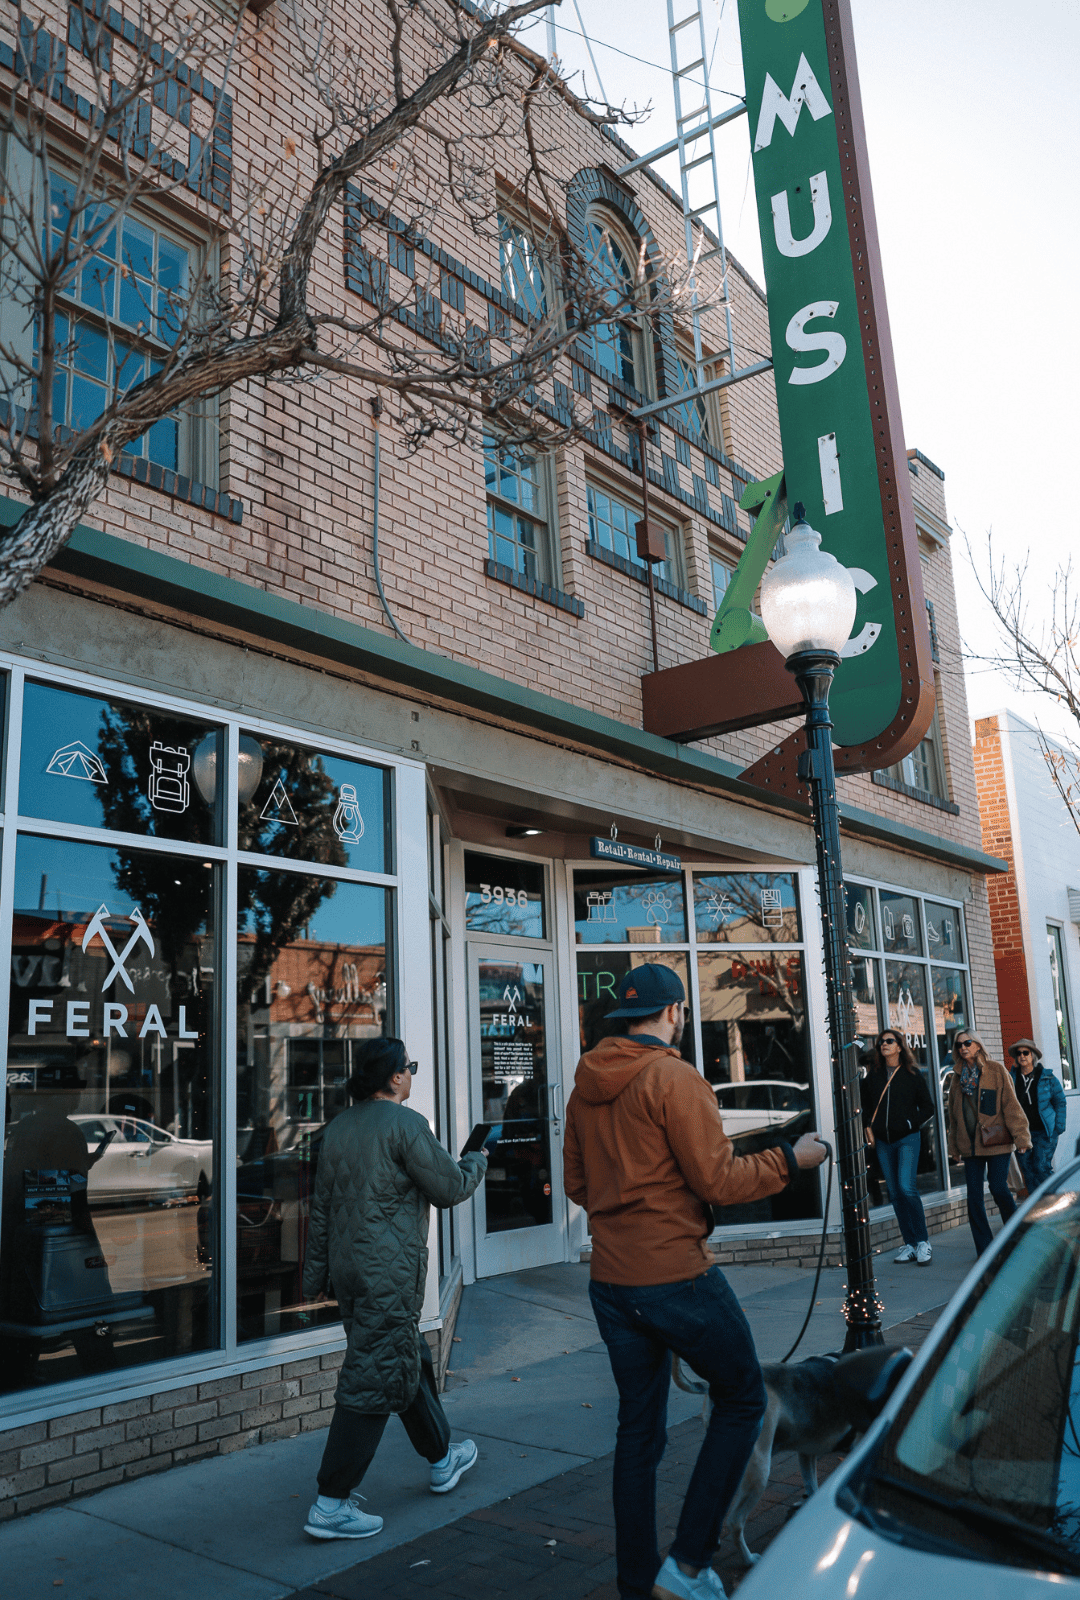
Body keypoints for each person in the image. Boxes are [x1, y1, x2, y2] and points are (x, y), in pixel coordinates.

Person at [563, 963, 827, 1600]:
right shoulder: (673, 1078)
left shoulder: (584, 1085)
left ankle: (636, 1581)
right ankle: (686, 1567)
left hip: (612, 1281)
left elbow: (576, 1185)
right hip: (676, 1274)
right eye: (680, 1010)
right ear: (675, 1011)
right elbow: (720, 1181)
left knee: (638, 1431)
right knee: (743, 1397)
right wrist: (794, 1159)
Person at [301, 1038, 486, 1541]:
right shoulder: (406, 1125)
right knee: (372, 1376)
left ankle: (443, 1457)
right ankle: (330, 1503)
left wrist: (312, 1281)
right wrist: (477, 1160)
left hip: (351, 1274)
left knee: (402, 1360)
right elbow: (449, 1189)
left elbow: (321, 1211)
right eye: (410, 1068)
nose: (412, 1075)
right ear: (394, 1077)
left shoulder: (338, 1129)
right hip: (388, 1274)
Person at [946, 1031, 1031, 1257]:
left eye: (968, 1042)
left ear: (978, 1045)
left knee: (998, 1188)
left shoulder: (995, 1070)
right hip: (970, 1145)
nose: (963, 1047)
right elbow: (954, 1116)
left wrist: (1022, 1137)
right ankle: (985, 1249)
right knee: (973, 1197)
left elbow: (1011, 1106)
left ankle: (1015, 1237)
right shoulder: (957, 1076)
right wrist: (953, 1147)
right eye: (959, 1045)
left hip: (996, 1142)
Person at [862, 1030, 935, 1265]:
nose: (884, 1044)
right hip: (884, 1142)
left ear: (900, 1047)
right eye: (881, 1042)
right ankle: (910, 1243)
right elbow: (863, 1106)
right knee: (894, 1193)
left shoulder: (911, 1075)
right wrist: (867, 1127)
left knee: (906, 1188)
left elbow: (928, 1108)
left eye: (889, 1041)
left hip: (908, 1139)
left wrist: (908, 1123)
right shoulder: (873, 1076)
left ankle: (923, 1241)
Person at [1009, 1037, 1066, 1193]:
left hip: (1045, 1131)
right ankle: (1038, 1209)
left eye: (1025, 1052)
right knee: (1027, 1171)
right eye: (1019, 1053)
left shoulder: (1047, 1077)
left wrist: (1059, 1127)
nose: (1022, 1056)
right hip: (1021, 1133)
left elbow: (1060, 1101)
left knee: (1041, 1167)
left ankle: (1056, 1201)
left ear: (1032, 1055)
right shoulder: (1010, 1078)